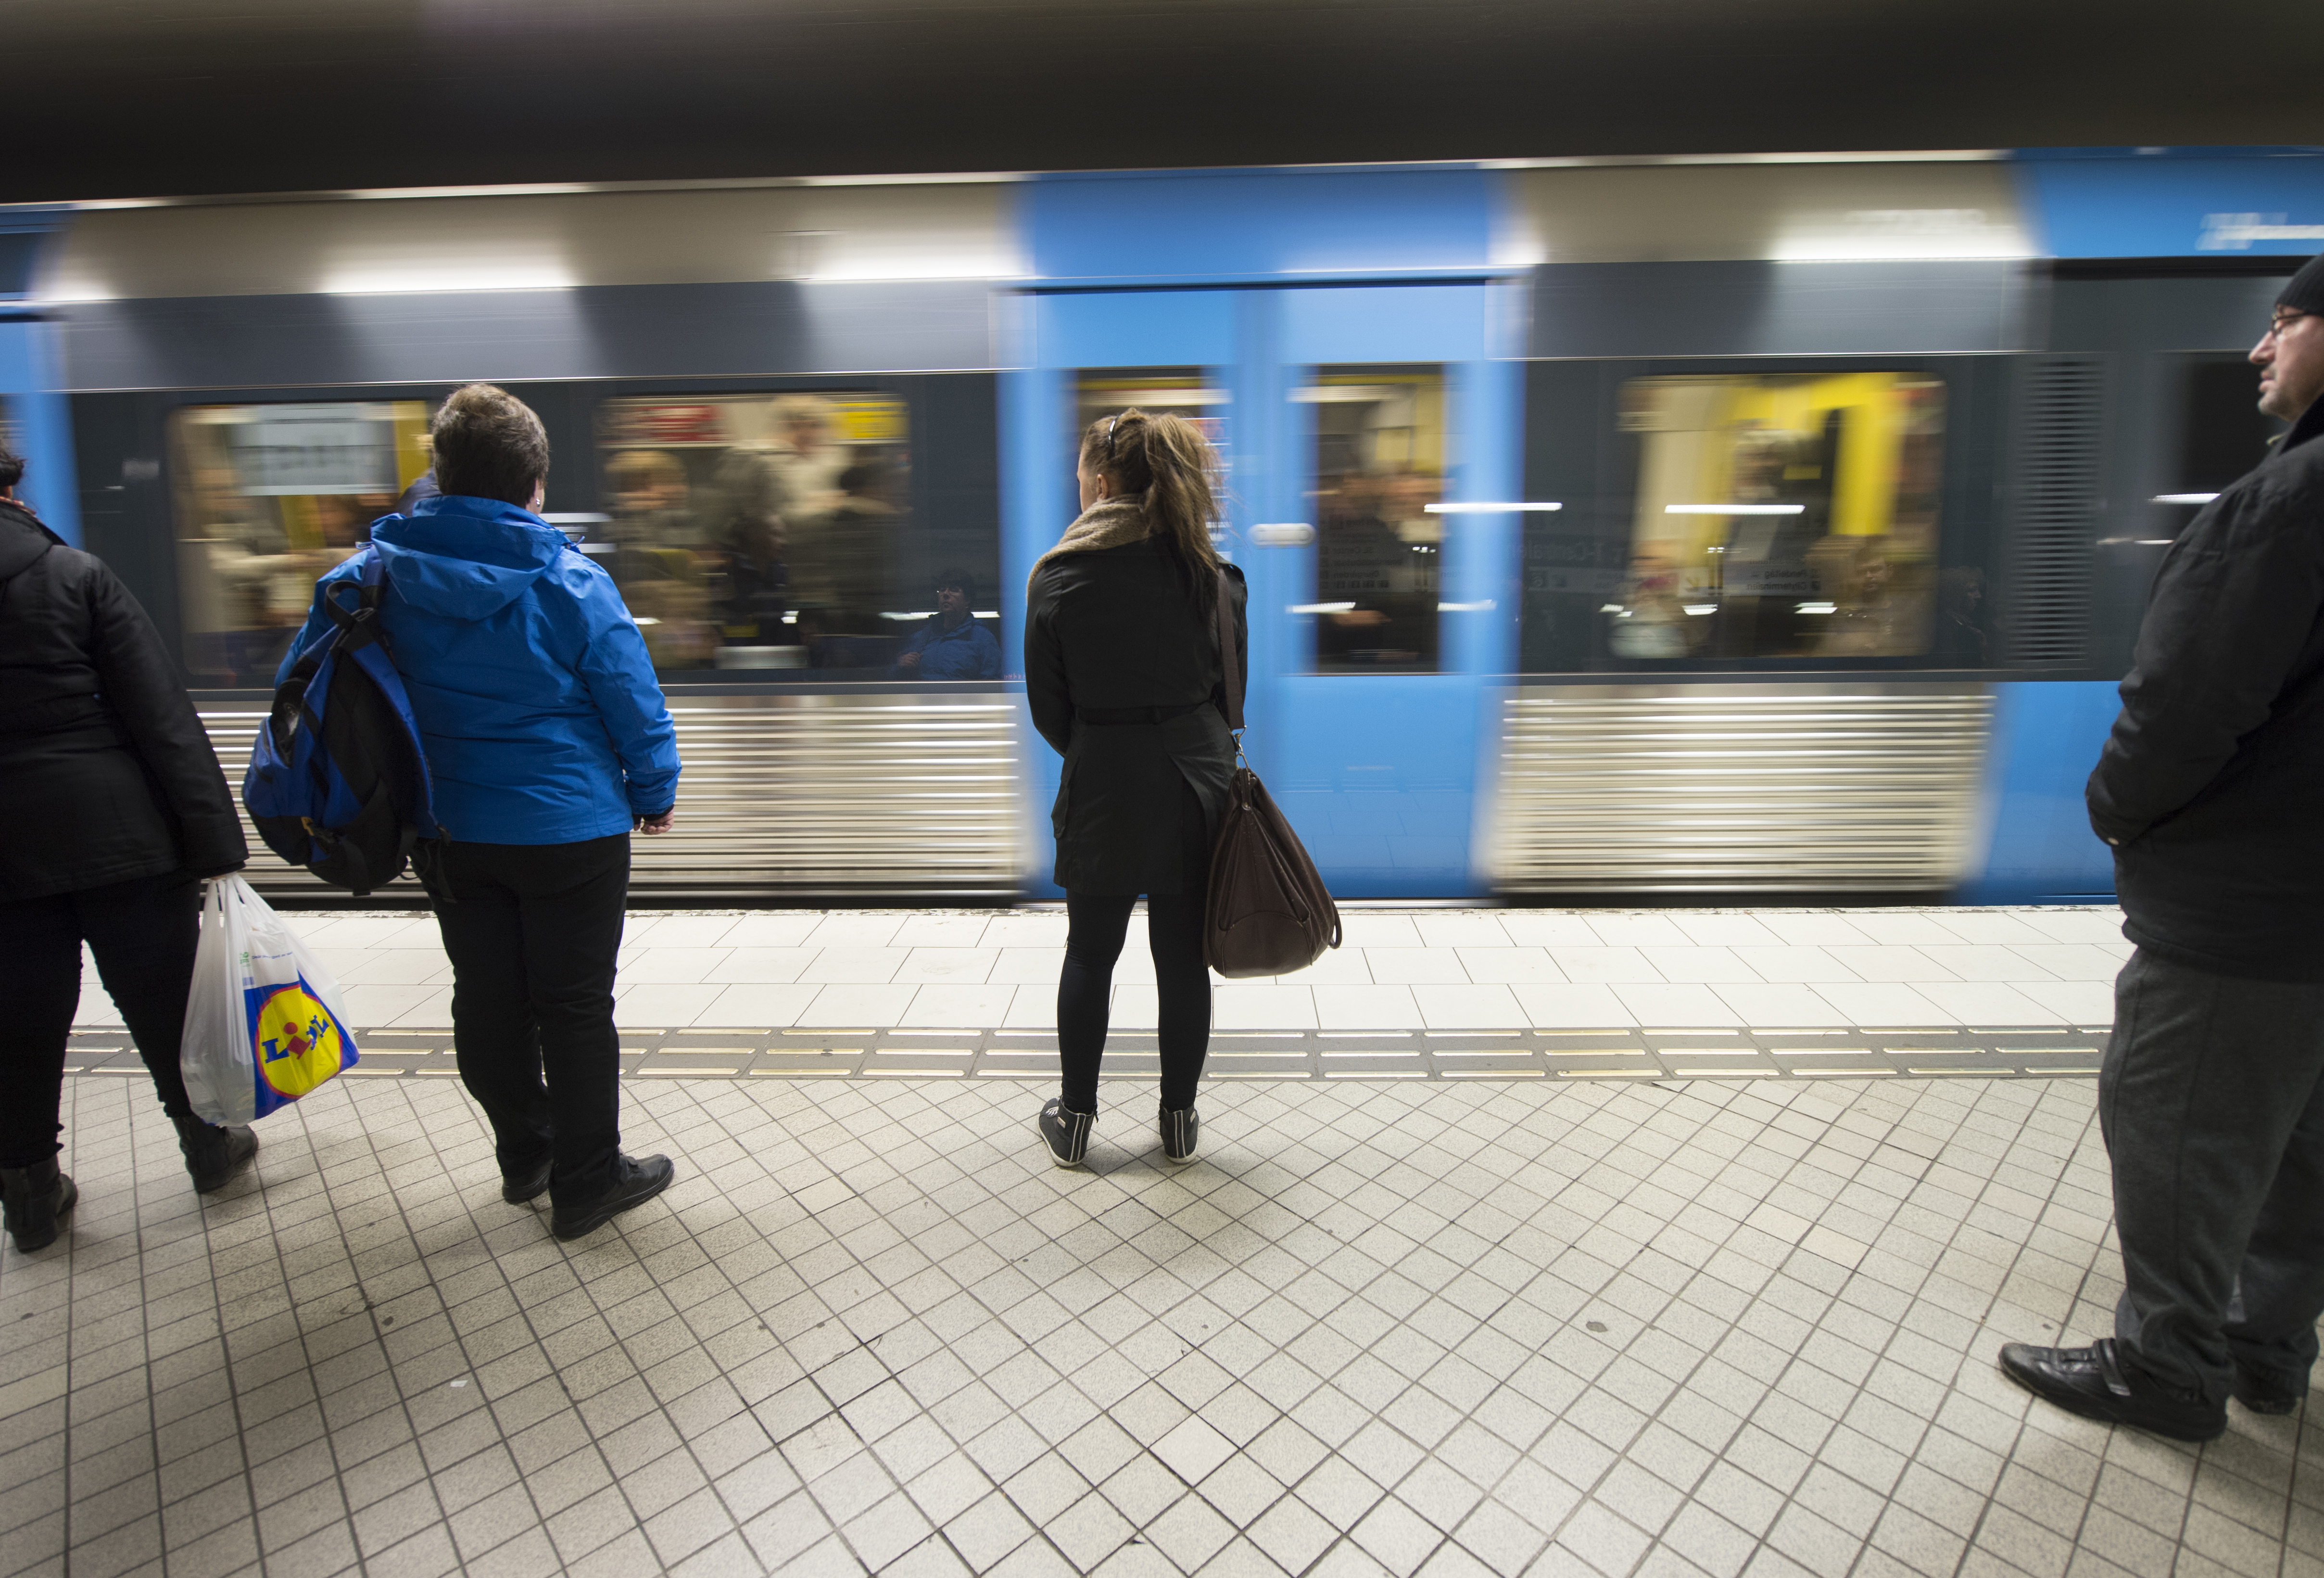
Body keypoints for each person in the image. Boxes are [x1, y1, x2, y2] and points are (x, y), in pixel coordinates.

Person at [1999, 253, 2324, 1441]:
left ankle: (2168, 1368)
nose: (2261, 347)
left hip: (2247, 903)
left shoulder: (2290, 499)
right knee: (2304, 1136)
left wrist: (2120, 808)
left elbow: (2187, 697)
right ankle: (2265, 1343)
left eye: (2285, 321)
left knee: (2181, 1124)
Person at [277, 385, 682, 1242]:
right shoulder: (572, 578)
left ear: (440, 474)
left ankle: (525, 1155)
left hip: (449, 830)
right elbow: (631, 699)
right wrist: (653, 792)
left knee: (488, 1002)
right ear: (534, 482)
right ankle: (586, 1182)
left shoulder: (367, 579)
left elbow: (311, 693)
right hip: (570, 827)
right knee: (573, 1007)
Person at [0, 444, 257, 1253]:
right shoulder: (76, 577)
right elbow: (161, 718)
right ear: (15, 492)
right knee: (164, 1002)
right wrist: (215, 843)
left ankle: (31, 1198)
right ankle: (209, 1149)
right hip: (120, 834)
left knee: (16, 1026)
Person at [1023, 408, 1246, 1168]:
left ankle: (1077, 1124)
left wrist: (1108, 750)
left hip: (1106, 788)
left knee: (1091, 953)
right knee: (1182, 960)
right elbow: (1230, 696)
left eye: (1083, 478)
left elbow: (1051, 713)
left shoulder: (1059, 577)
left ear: (1106, 481)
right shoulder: (1215, 578)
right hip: (1197, 784)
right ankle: (1179, 1124)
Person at [896, 568, 1001, 679]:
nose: (945, 594)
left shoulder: (982, 638)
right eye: (942, 590)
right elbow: (893, 679)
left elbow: (993, 683)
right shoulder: (922, 637)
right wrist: (901, 665)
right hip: (924, 696)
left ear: (967, 600)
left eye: (954, 590)